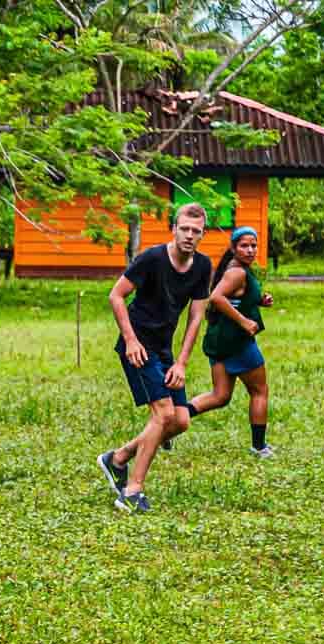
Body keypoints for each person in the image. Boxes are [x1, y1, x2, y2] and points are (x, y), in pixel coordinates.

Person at [97, 203, 212, 513]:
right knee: (162, 415)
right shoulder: (151, 258)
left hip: (164, 349)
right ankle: (131, 491)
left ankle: (117, 458)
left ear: (203, 234)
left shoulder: (203, 267)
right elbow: (116, 295)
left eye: (196, 231)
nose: (189, 235)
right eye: (184, 229)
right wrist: (130, 340)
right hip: (139, 346)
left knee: (181, 421)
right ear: (174, 229)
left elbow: (196, 317)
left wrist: (182, 362)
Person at [185, 226, 275, 457]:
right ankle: (259, 447)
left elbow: (235, 297)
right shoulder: (237, 272)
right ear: (233, 248)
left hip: (220, 339)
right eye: (244, 245)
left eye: (253, 245)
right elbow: (216, 297)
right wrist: (244, 322)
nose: (250, 249)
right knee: (260, 391)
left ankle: (170, 422)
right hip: (237, 342)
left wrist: (259, 301)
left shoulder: (237, 269)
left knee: (220, 396)